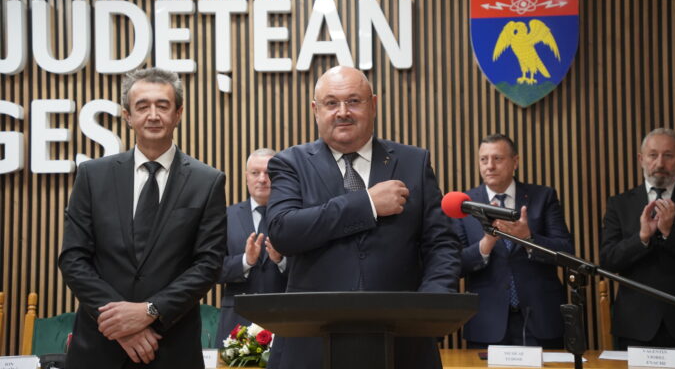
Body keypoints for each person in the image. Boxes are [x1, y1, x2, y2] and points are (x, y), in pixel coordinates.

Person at [265, 65, 460, 369]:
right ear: (316, 110)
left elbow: (442, 244)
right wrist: (367, 203)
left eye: (354, 101)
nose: (343, 112)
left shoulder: (414, 162)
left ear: (373, 105)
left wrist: (431, 304)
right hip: (312, 343)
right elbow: (283, 231)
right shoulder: (291, 163)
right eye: (331, 103)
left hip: (403, 341)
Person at [58, 68, 227, 369]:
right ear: (127, 115)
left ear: (178, 113)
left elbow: (208, 264)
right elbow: (73, 258)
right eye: (142, 106)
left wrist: (150, 311)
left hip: (170, 347)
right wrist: (120, 324)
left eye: (162, 105)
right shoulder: (92, 176)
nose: (153, 115)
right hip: (100, 345)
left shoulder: (207, 181)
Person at [456, 133, 573, 348]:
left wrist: (528, 238)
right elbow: (456, 264)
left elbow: (566, 250)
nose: (490, 166)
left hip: (540, 319)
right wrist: (486, 243)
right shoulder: (465, 204)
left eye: (497, 158)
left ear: (515, 161)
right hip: (487, 322)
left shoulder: (543, 197)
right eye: (484, 159)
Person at [600, 128, 675, 349]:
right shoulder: (619, 204)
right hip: (634, 326)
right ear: (641, 159)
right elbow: (608, 261)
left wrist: (671, 233)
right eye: (653, 155)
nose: (660, 163)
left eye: (668, 155)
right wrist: (642, 237)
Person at [215, 148, 288, 347]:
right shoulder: (225, 217)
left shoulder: (294, 216)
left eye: (269, 173)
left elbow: (309, 268)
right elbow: (212, 269)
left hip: (284, 322)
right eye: (255, 173)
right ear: (247, 177)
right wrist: (245, 261)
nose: (262, 179)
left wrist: (281, 260)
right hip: (237, 322)